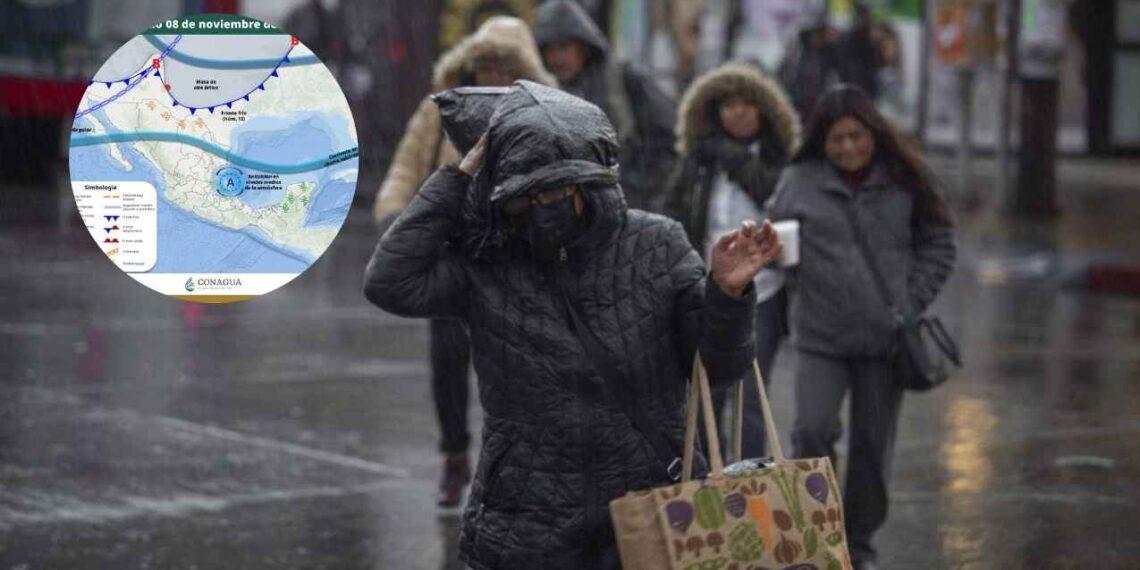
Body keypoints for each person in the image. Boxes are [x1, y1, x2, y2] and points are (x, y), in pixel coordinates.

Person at [363, 81, 782, 569]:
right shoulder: (489, 261)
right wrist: (456, 178)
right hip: (525, 516)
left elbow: (720, 367)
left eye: (558, 189)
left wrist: (727, 295)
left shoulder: (657, 245)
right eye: (528, 194)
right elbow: (389, 281)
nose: (545, 206)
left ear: (589, 183)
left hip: (647, 507)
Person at [767, 85, 957, 570]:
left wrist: (908, 302)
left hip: (885, 341)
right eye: (836, 140)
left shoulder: (906, 179)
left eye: (856, 136)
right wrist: (787, 268)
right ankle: (818, 538)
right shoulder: (798, 180)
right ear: (821, 143)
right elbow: (776, 243)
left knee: (872, 449)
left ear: (874, 133)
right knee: (811, 432)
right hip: (820, 338)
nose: (848, 148)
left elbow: (939, 243)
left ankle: (860, 543)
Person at [371, 16, 555, 509]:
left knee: (518, 366)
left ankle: (514, 468)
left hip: (515, 257)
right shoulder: (440, 108)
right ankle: (455, 457)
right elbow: (408, 162)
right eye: (483, 65)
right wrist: (396, 214)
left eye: (502, 65)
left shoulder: (540, 112)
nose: (491, 75)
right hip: (453, 252)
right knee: (448, 363)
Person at [662, 62, 800, 460]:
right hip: (705, 289)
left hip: (765, 293)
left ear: (764, 110)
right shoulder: (699, 159)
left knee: (750, 398)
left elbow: (780, 202)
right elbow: (672, 211)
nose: (737, 112)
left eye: (747, 104)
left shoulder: (780, 161)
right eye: (728, 105)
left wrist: (736, 159)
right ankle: (712, 484)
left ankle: (750, 486)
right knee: (707, 396)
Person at [532, 0, 676, 212]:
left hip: (626, 209)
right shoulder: (538, 91)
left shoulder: (622, 80)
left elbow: (668, 137)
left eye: (564, 47)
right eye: (549, 50)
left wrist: (640, 189)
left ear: (583, 46)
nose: (557, 58)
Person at [778, 6, 842, 121]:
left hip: (820, 111)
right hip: (798, 109)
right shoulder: (797, 51)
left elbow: (835, 79)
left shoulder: (831, 52)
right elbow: (786, 77)